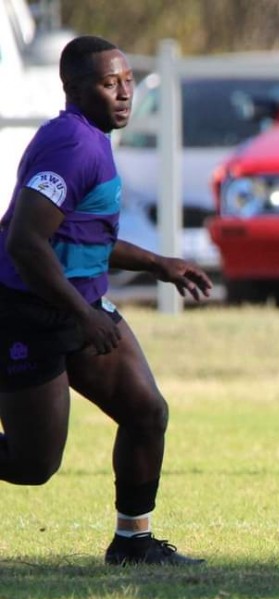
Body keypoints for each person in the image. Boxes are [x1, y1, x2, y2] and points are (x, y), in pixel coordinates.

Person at [0, 36, 213, 566]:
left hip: (78, 305)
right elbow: (25, 242)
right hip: (27, 311)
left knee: (145, 411)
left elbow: (82, 236)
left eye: (127, 81)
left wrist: (158, 264)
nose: (123, 93)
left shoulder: (93, 138)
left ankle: (133, 542)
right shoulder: (72, 146)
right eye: (107, 83)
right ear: (73, 89)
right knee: (33, 464)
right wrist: (82, 315)